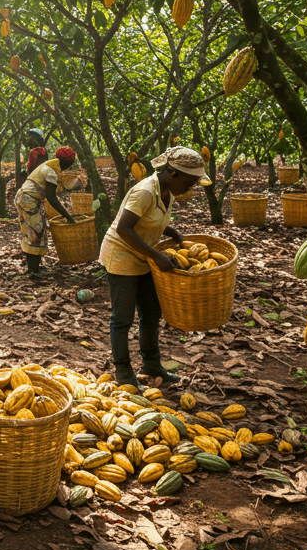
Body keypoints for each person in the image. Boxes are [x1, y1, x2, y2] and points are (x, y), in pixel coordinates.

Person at [99, 146, 210, 386]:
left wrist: (169, 230)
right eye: (189, 183)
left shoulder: (167, 190)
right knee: (123, 317)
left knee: (151, 312)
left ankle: (151, 363)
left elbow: (149, 219)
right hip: (121, 254)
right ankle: (124, 372)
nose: (189, 189)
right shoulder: (145, 191)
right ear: (173, 173)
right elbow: (124, 228)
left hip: (144, 254)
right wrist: (158, 257)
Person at [15, 146, 83, 277]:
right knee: (34, 233)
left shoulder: (50, 165)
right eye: (69, 164)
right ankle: (33, 270)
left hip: (29, 198)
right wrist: (68, 216)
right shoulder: (51, 171)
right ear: (66, 163)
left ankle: (35, 267)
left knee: (36, 231)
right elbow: (51, 198)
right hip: (28, 200)